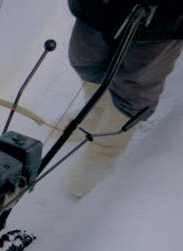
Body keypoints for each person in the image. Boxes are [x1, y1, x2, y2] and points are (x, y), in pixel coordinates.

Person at [66, 0, 182, 198]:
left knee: (136, 84)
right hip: (98, 7)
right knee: (85, 58)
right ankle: (95, 116)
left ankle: (104, 153)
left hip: (162, 17)